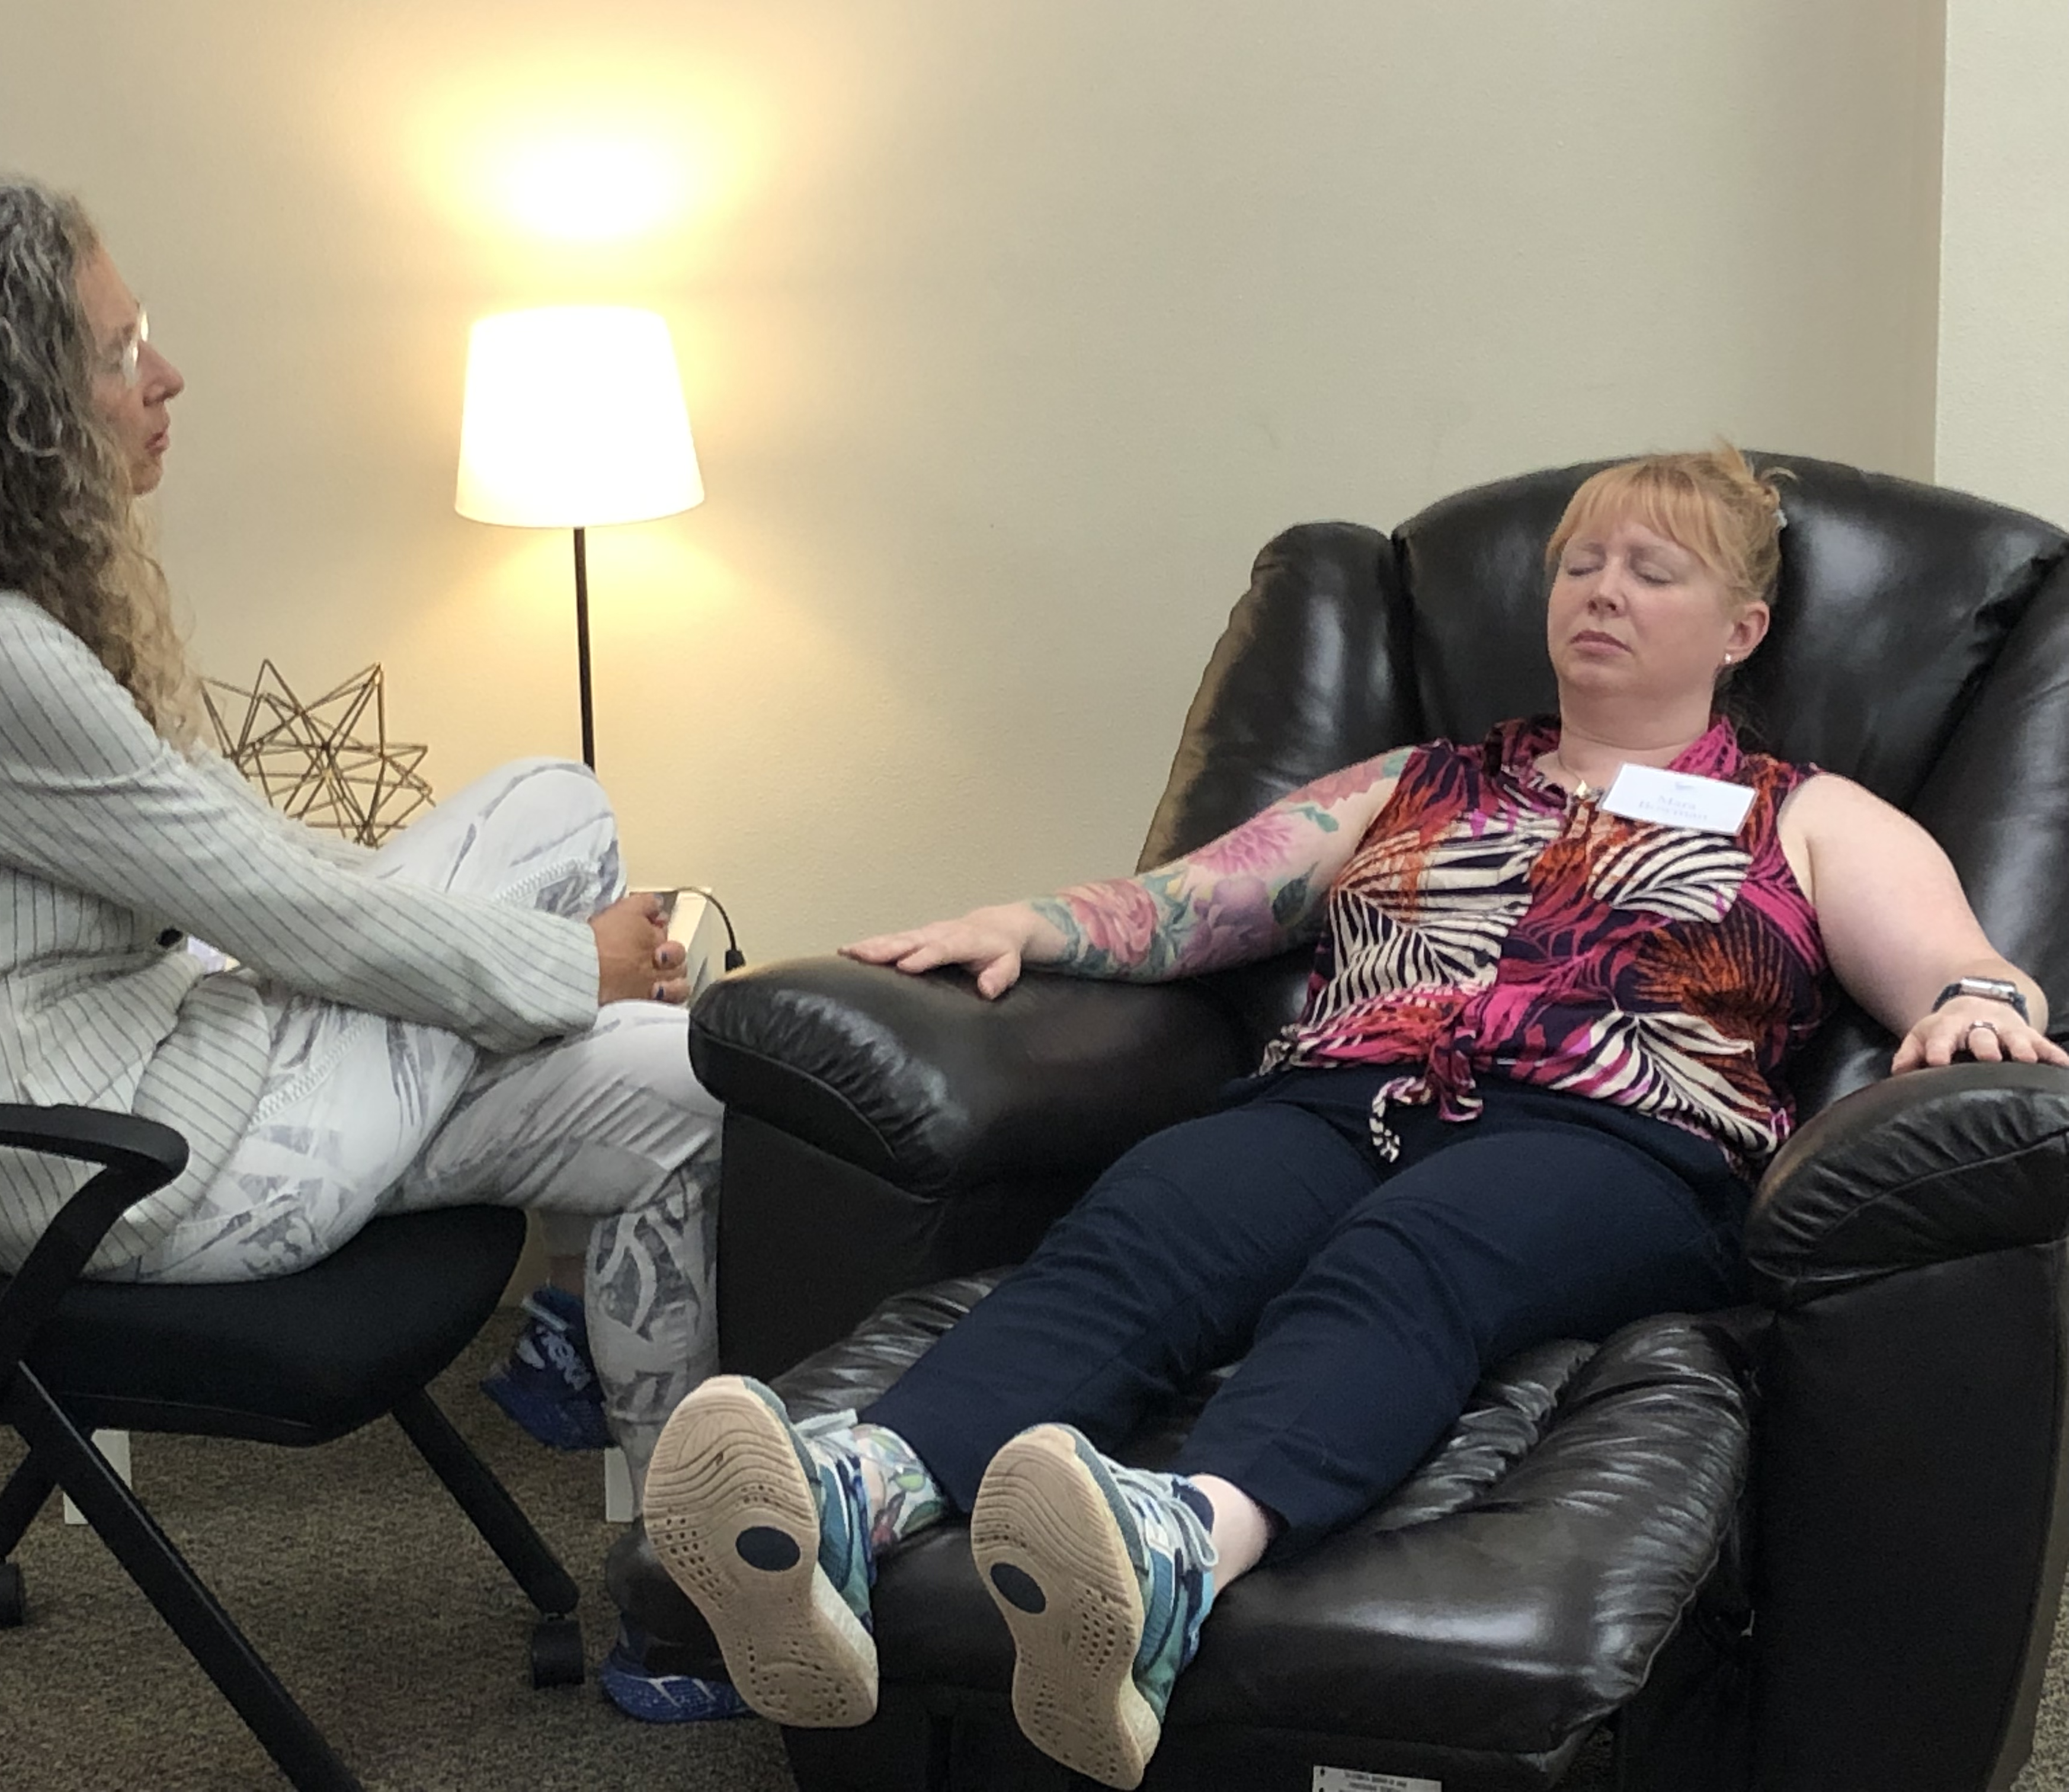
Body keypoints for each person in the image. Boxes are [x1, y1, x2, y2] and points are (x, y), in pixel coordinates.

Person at [639, 444, 2069, 1787]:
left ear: (1742, 628)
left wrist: (1974, 1004)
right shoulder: (1418, 782)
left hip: (1616, 1142)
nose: (1602, 592)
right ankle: (854, 1497)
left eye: (1654, 569)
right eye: (1581, 566)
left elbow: (1960, 960)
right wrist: (1026, 923)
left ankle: (1182, 1550)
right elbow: (1192, 904)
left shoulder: (1806, 816)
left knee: (1413, 1254)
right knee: (1147, 1221)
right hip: (1342, 1097)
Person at [0, 178, 720, 1548]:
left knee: (660, 1050)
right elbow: (277, 909)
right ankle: (677, 1553)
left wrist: (532, 972)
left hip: (171, 1084)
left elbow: (256, 865)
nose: (167, 376)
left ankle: (674, 1554)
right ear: (9, 412)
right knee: (574, 856)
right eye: (117, 348)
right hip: (126, 1173)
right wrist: (575, 959)